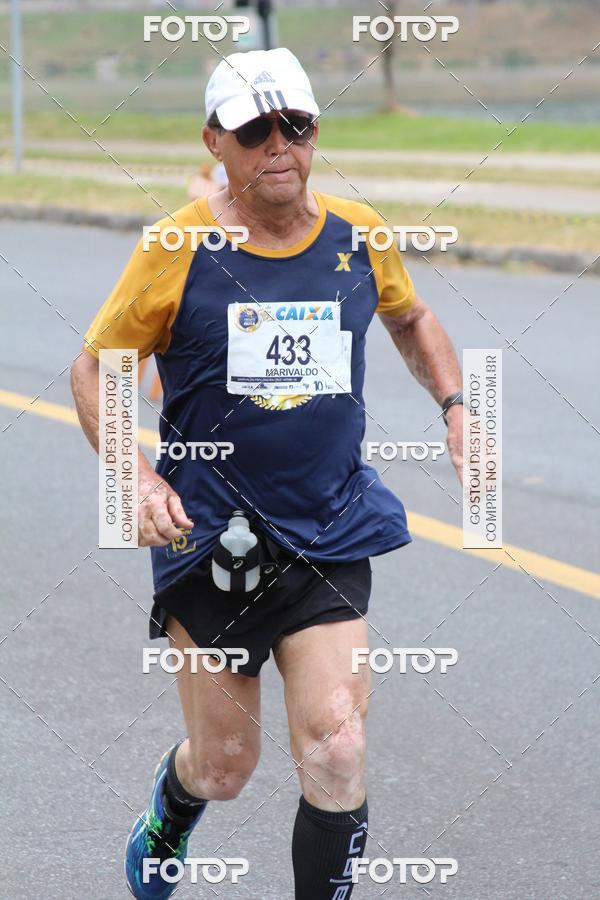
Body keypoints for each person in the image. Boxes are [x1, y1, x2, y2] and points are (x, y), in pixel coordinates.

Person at [71, 46, 464, 900]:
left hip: (330, 525)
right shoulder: (178, 246)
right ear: (215, 141)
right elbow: (95, 369)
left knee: (335, 745)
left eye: (298, 124)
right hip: (212, 538)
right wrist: (132, 483)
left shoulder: (360, 233)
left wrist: (460, 406)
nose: (280, 144)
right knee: (226, 765)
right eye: (255, 130)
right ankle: (173, 808)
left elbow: (413, 316)